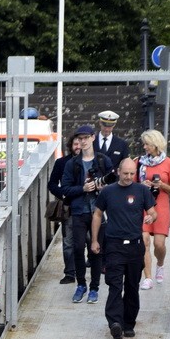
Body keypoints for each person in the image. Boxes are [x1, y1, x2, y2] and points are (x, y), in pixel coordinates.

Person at [91, 159, 158, 339]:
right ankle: (115, 323)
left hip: (135, 246)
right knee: (114, 285)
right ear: (118, 171)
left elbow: (153, 211)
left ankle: (129, 324)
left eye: (132, 173)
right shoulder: (108, 191)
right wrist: (95, 240)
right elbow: (97, 214)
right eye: (125, 173)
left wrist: (151, 217)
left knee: (131, 287)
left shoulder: (142, 191)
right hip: (114, 244)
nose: (128, 177)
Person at [61, 124, 114, 305]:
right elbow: (65, 188)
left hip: (98, 211)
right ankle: (81, 284)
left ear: (93, 137)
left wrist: (103, 187)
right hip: (78, 211)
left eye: (86, 138)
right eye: (80, 139)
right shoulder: (72, 163)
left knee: (96, 249)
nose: (83, 142)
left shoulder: (102, 160)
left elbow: (113, 182)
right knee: (77, 247)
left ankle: (94, 288)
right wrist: (82, 188)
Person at [137, 129, 170, 290]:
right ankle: (147, 277)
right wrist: (142, 185)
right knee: (144, 241)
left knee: (159, 244)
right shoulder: (140, 162)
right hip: (144, 206)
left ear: (155, 145)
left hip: (161, 204)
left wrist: (161, 185)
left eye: (147, 144)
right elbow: (132, 184)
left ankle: (160, 265)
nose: (145, 147)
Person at [48, 133, 80, 284]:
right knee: (68, 242)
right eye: (75, 144)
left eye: (81, 143)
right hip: (69, 206)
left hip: (88, 206)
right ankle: (69, 273)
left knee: (89, 239)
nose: (78, 147)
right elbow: (52, 184)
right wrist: (63, 193)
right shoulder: (61, 163)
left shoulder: (93, 161)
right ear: (70, 146)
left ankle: (93, 268)